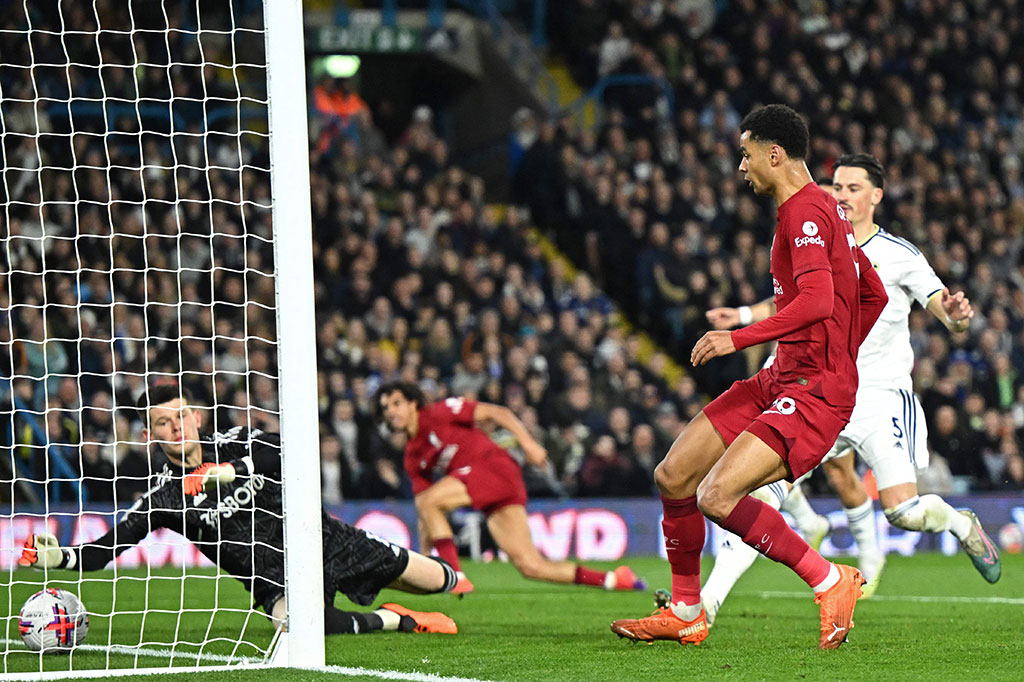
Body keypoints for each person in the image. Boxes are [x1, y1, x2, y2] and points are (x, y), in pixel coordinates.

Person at [609, 104, 888, 650]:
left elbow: (816, 299)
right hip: (785, 376)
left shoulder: (806, 214)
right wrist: (839, 349)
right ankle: (687, 610)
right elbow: (869, 293)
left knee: (716, 495)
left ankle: (831, 579)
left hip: (813, 392)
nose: (741, 167)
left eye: (746, 154)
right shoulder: (822, 210)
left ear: (773, 153)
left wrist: (738, 338)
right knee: (674, 476)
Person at [699, 153, 1000, 624]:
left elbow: (943, 306)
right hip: (816, 388)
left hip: (881, 396)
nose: (841, 195)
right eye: (836, 186)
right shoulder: (816, 235)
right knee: (753, 493)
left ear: (876, 196)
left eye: (853, 187)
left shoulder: (900, 255)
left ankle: (961, 523)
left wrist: (957, 318)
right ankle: (706, 605)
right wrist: (741, 317)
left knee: (904, 512)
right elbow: (790, 300)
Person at [20, 384, 458, 636]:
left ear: (195, 417)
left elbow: (282, 451)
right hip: (276, 584)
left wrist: (225, 472)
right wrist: (54, 555)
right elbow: (104, 549)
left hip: (325, 543)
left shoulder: (232, 441)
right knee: (299, 628)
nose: (177, 427)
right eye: (163, 423)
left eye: (182, 416)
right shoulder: (163, 496)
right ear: (151, 433)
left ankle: (435, 578)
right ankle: (393, 619)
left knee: (442, 581)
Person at [374, 381, 645, 594]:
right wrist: (423, 561)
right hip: (486, 488)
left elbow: (497, 412)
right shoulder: (412, 455)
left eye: (396, 403)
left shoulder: (439, 412)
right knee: (531, 566)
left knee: (430, 501)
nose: (391, 411)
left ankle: (455, 573)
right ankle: (613, 579)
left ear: (412, 403)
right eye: (386, 407)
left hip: (493, 467)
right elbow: (427, 512)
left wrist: (527, 443)